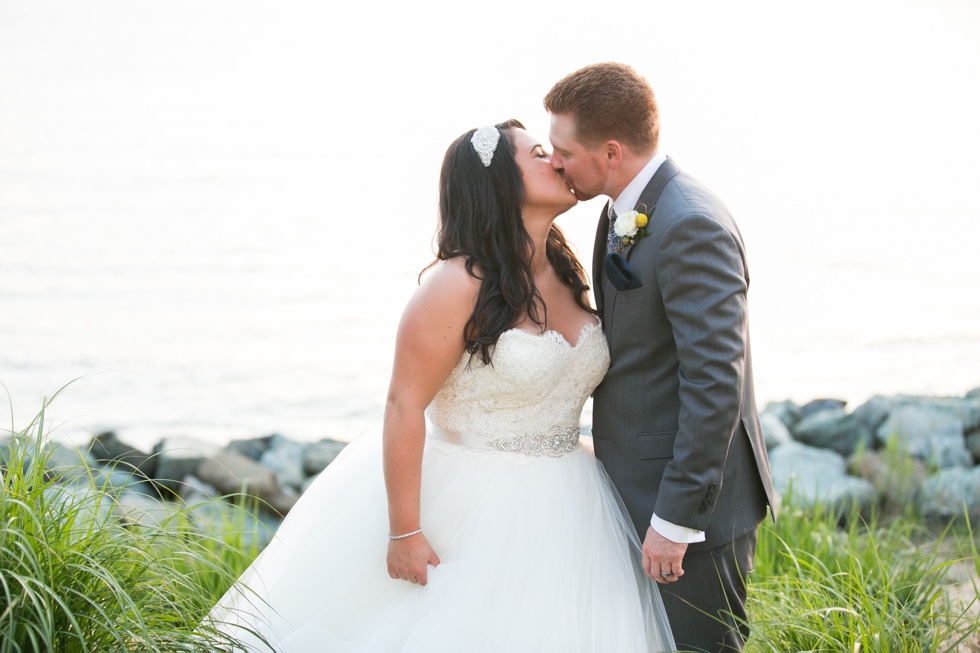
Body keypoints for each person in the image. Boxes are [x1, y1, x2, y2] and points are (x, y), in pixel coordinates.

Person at [204, 119, 675, 652]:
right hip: (473, 506)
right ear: (499, 184)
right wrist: (405, 530)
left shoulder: (568, 271)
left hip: (574, 503)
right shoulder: (456, 286)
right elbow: (404, 405)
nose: (558, 161)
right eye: (539, 153)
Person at [544, 63, 776, 653]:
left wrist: (676, 521)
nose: (556, 163)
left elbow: (715, 384)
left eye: (564, 151)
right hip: (635, 487)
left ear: (612, 152)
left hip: (688, 510)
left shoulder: (688, 223)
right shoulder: (620, 208)